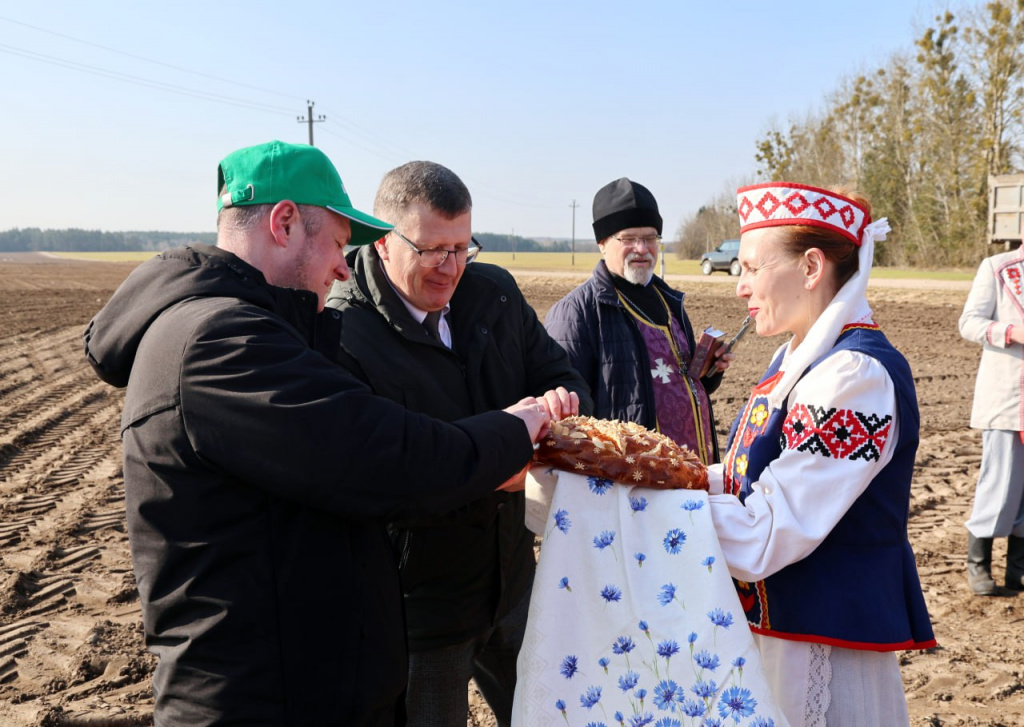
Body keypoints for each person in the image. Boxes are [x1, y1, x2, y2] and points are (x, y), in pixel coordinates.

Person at [82, 140, 551, 727]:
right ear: (283, 223)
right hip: (262, 702)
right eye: (335, 243)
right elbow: (388, 457)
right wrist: (516, 429)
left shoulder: (243, 330)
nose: (340, 265)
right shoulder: (220, 345)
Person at [325, 160, 593, 727]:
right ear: (382, 243)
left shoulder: (492, 293)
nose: (450, 268)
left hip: (513, 579)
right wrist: (498, 458)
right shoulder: (345, 336)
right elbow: (387, 476)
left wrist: (561, 401)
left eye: (461, 247)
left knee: (545, 714)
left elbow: (563, 375)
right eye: (431, 250)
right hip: (422, 606)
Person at [707, 182, 936, 725]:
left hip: (822, 651)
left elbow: (768, 532)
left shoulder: (853, 375)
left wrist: (664, 504)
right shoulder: (803, 357)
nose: (740, 287)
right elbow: (752, 478)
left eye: (751, 268)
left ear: (811, 267)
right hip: (780, 631)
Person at [545, 177, 728, 465]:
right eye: (629, 239)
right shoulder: (574, 314)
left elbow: (671, 382)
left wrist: (709, 371)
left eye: (650, 238)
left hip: (694, 473)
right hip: (635, 484)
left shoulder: (669, 301)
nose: (642, 248)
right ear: (602, 244)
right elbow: (568, 419)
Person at [959, 244, 1024, 595]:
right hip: (1007, 397)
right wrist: (1012, 332)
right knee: (999, 483)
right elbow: (969, 322)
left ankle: (1019, 570)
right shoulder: (998, 268)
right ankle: (979, 566)